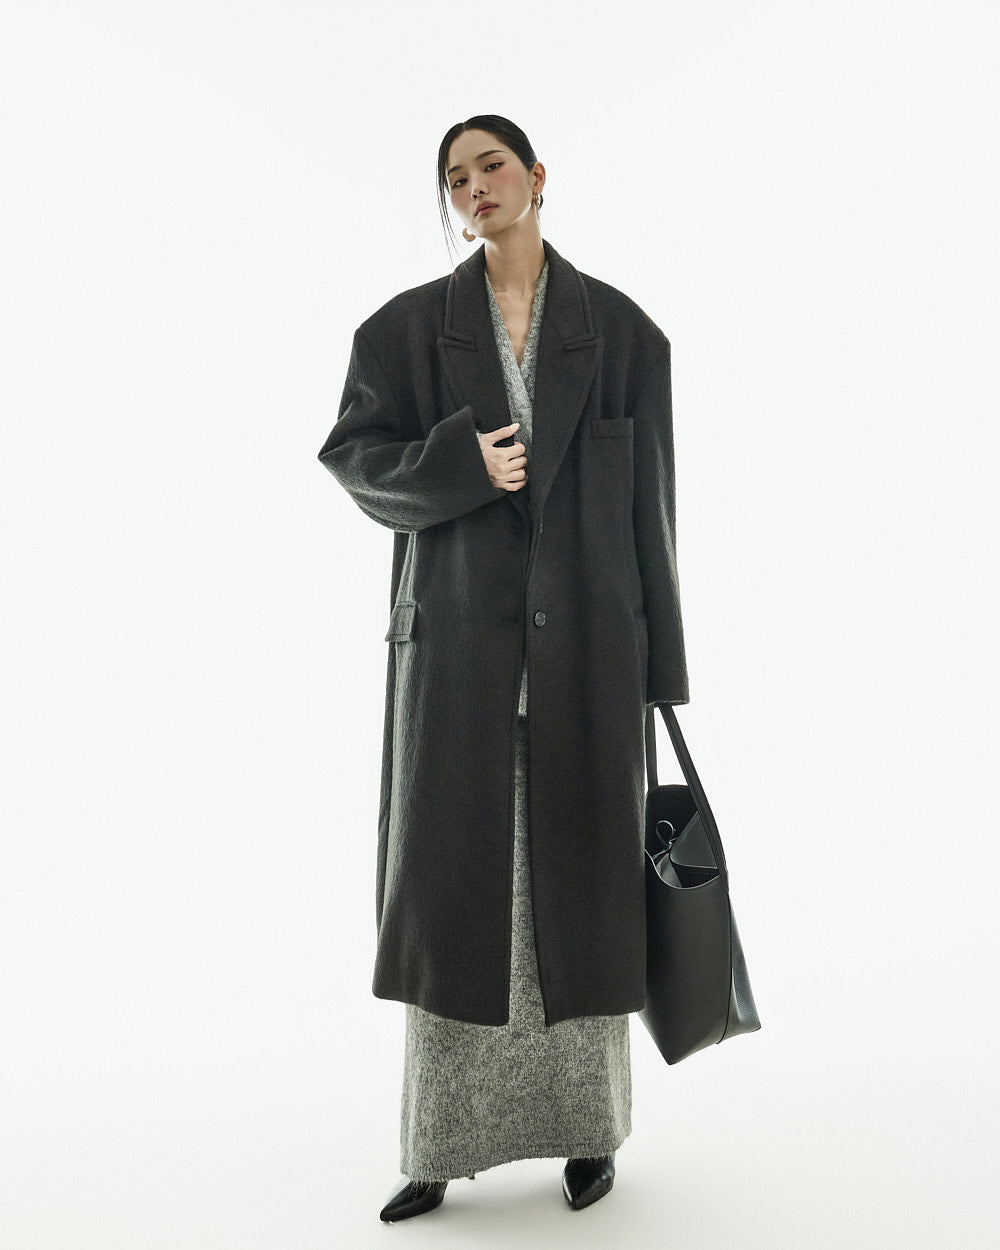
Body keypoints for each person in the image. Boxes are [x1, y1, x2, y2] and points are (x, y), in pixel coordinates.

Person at [317, 114, 690, 1223]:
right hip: (457, 667)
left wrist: (662, 675)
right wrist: (458, 464)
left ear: (536, 175)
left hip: (590, 664)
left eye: (490, 166)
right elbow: (355, 461)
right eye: (454, 177)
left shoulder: (624, 335)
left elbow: (654, 515)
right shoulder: (400, 333)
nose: (473, 187)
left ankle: (588, 1135)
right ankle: (439, 1146)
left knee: (586, 901)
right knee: (454, 904)